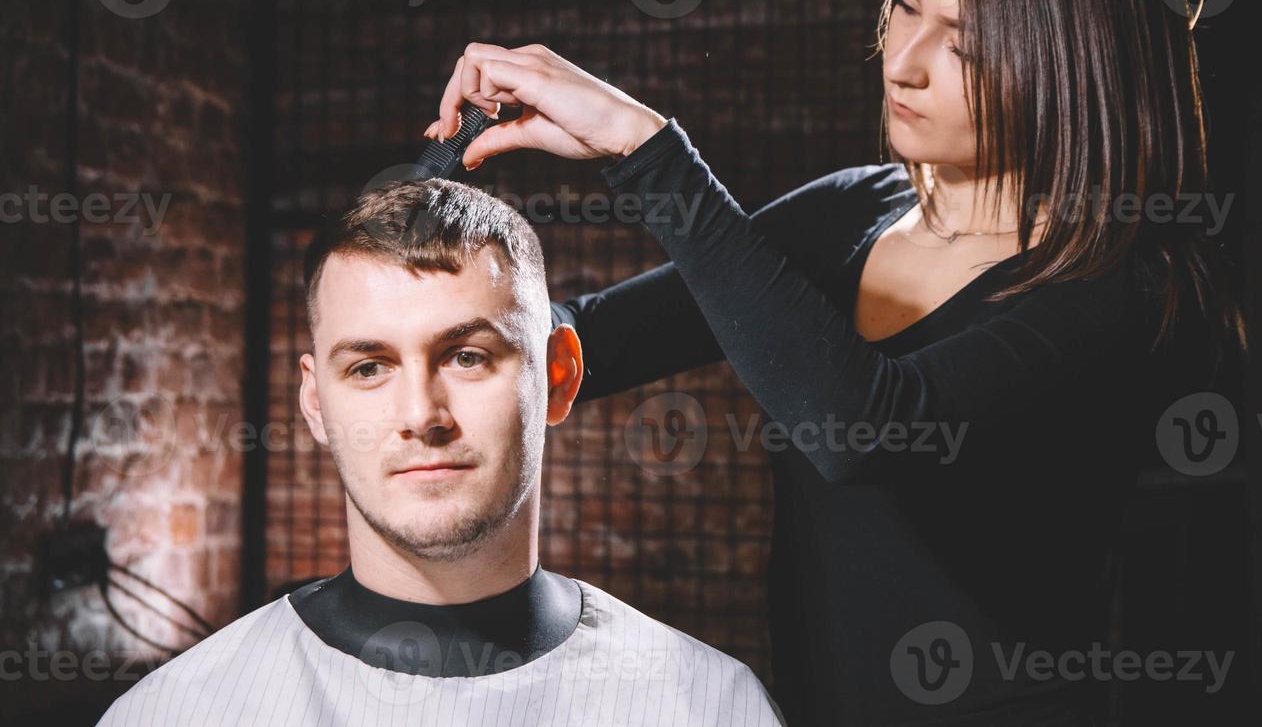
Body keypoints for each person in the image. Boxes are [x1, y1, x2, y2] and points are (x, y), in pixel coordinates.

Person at [423, 0, 1248, 725]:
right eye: (904, 6)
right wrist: (421, 251)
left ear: (1070, 63)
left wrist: (646, 151)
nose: (904, 60)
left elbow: (866, 428)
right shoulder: (853, 213)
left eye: (963, 44)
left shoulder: (1128, 291)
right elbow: (589, 339)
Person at [98, 181, 785, 726]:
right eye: (369, 367)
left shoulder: (713, 707)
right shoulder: (174, 713)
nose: (421, 415)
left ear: (558, 377)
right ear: (315, 401)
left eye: (466, 356)